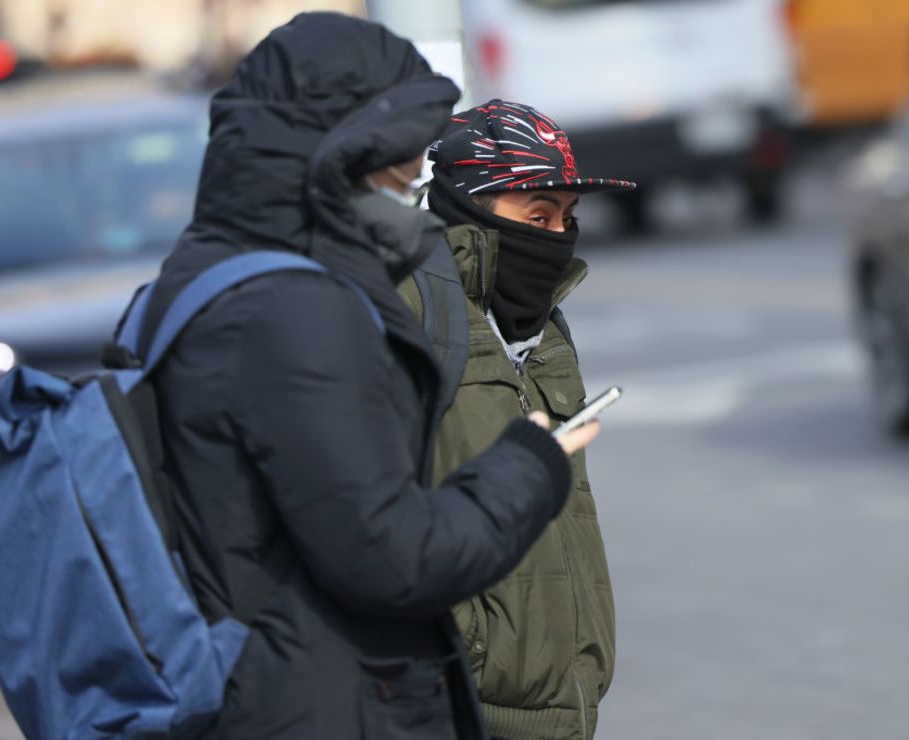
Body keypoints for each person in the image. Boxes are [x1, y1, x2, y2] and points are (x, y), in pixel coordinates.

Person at [135, 16, 599, 740]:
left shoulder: (199, 277)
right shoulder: (292, 310)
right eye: (400, 163)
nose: (415, 181)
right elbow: (392, 555)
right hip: (308, 708)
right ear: (339, 148)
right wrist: (526, 467)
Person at [399, 100, 637, 739]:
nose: (557, 236)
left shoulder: (541, 328)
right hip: (464, 706)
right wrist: (466, 644)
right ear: (468, 206)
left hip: (564, 702)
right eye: (537, 215)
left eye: (567, 217)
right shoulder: (409, 315)